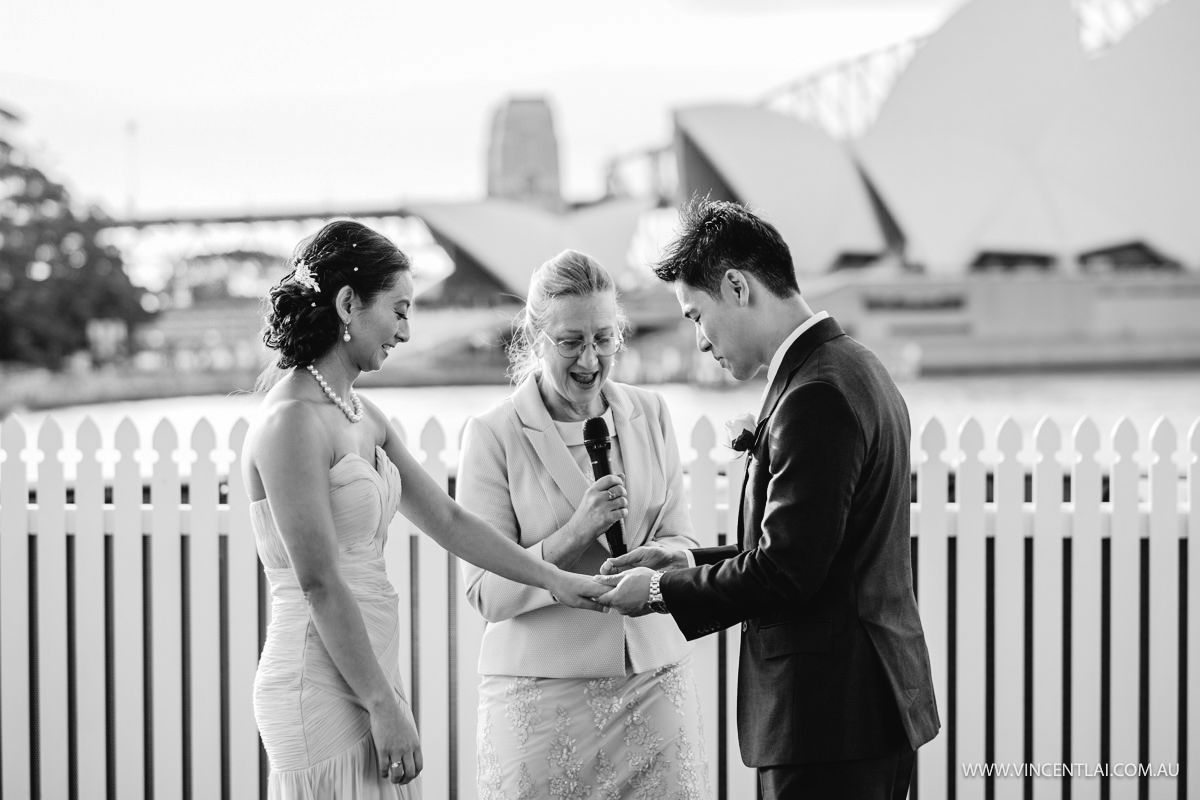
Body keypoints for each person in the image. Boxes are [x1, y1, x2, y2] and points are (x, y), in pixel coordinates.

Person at [244, 221, 607, 799]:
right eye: (399, 310)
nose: (408, 331)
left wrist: (554, 578)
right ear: (347, 305)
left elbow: (449, 520)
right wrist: (380, 702)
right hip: (318, 676)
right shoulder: (290, 420)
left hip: (367, 668)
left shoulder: (362, 415)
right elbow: (318, 582)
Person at [595, 199, 940, 799]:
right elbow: (810, 548)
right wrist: (686, 562)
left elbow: (787, 572)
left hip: (828, 721)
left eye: (696, 316)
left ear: (736, 287)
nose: (699, 341)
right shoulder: (856, 367)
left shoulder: (815, 396)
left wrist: (655, 592)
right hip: (863, 712)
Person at [456, 249, 712, 799]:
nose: (590, 360)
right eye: (571, 342)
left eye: (604, 339)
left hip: (655, 685)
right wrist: (574, 534)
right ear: (534, 335)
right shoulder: (493, 435)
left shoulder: (652, 413)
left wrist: (664, 558)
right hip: (541, 700)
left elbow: (682, 540)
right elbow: (486, 595)